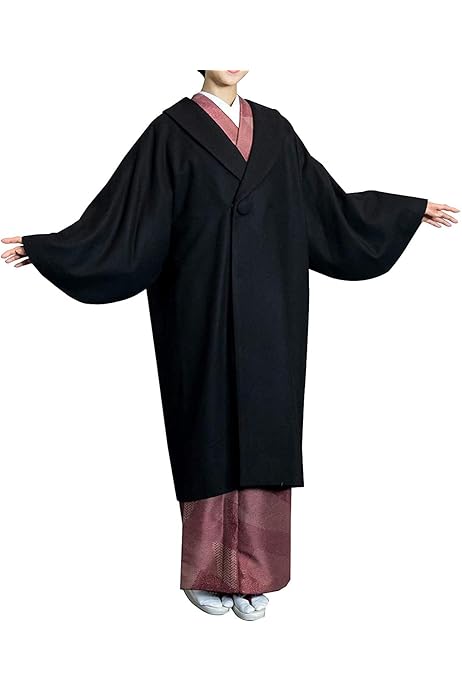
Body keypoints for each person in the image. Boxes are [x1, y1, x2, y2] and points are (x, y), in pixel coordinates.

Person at [2, 70, 459, 621]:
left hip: (271, 312)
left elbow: (327, 210)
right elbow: (126, 222)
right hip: (200, 308)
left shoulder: (276, 131)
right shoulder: (171, 132)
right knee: (208, 430)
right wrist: (52, 249)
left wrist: (406, 210)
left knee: (267, 430)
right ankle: (208, 572)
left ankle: (256, 574)